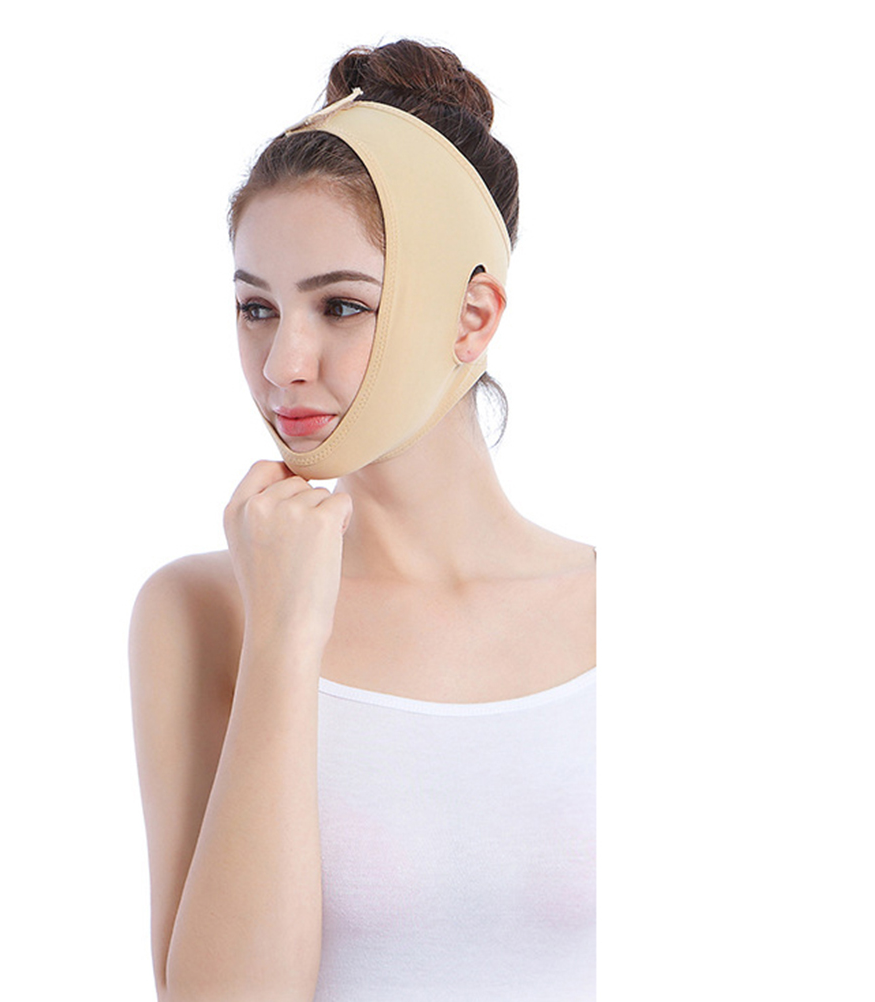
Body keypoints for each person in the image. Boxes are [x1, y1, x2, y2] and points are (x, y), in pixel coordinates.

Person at [129, 38, 596, 1002]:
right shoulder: (202, 610)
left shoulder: (615, 611)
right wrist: (285, 629)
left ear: (472, 317)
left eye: (340, 306)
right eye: (256, 310)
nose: (282, 366)